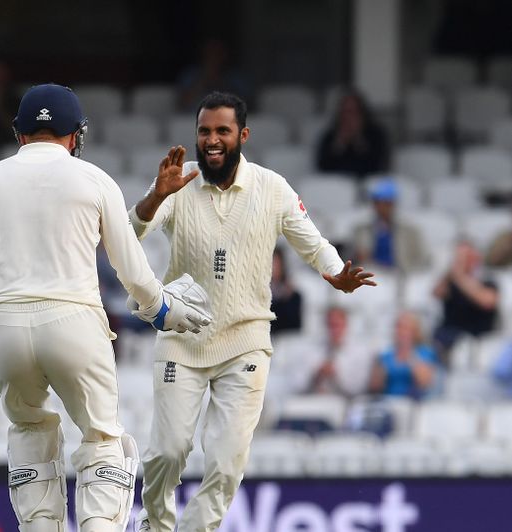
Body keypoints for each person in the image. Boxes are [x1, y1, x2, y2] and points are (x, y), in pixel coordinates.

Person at [0, 83, 211, 532]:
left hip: (1, 327)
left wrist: (5, 312)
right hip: (74, 323)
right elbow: (132, 269)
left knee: (30, 430)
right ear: (76, 136)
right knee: (102, 437)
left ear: (19, 134)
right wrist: (162, 310)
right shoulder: (93, 179)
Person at [129, 91, 375, 532]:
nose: (212, 140)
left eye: (222, 131)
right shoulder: (178, 181)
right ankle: (155, 524)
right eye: (204, 131)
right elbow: (132, 233)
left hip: (245, 341)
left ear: (242, 134)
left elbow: (311, 241)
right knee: (168, 451)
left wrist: (335, 272)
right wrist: (154, 198)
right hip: (182, 337)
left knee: (225, 464)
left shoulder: (272, 187)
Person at [432, 240, 499, 358]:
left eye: (467, 257)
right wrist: (452, 271)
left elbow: (487, 301)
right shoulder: (450, 280)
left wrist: (460, 277)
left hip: (477, 332)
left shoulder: (487, 280)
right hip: (449, 331)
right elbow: (436, 293)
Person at [352, 179, 429, 272]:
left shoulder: (410, 231)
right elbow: (352, 258)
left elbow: (423, 258)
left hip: (401, 275)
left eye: (386, 203)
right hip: (371, 273)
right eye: (378, 203)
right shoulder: (361, 230)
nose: (382, 207)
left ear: (393, 204)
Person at [315, 89, 389, 178]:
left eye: (353, 112)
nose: (349, 117)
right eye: (345, 112)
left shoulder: (376, 135)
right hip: (336, 186)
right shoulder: (330, 136)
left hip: (367, 184)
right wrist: (339, 144)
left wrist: (360, 141)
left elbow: (379, 167)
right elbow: (322, 168)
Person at [302, 306, 372, 396]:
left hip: (345, 404)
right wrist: (316, 374)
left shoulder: (360, 352)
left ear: (346, 325)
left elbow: (359, 389)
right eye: (330, 325)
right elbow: (297, 386)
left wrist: (335, 375)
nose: (334, 330)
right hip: (315, 402)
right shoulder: (312, 350)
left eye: (337, 325)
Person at [368, 311, 438, 399]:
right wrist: (376, 361)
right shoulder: (387, 355)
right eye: (399, 327)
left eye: (406, 328)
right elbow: (375, 387)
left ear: (415, 331)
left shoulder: (425, 353)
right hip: (389, 401)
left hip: (415, 403)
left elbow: (424, 382)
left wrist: (410, 355)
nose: (401, 332)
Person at [269, 246, 303, 335]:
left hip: (287, 339)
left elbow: (294, 324)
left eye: (276, 264)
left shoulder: (292, 294)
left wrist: (286, 299)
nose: (273, 268)